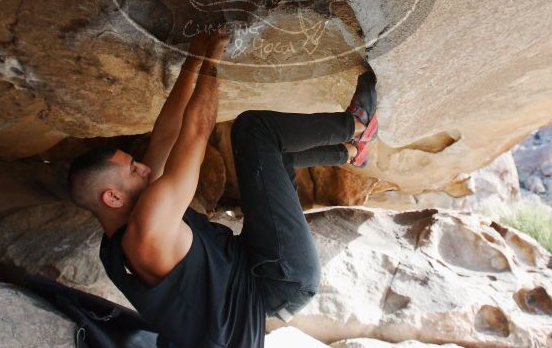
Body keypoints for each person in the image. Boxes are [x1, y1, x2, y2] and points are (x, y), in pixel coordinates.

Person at [67, 26, 378, 348]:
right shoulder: (148, 231)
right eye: (133, 169)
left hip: (251, 267)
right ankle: (358, 124)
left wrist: (191, 62)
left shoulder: (121, 238)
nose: (144, 167)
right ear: (113, 196)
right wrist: (212, 60)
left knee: (269, 159)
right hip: (279, 279)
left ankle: (352, 152)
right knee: (255, 130)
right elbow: (197, 131)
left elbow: (165, 136)